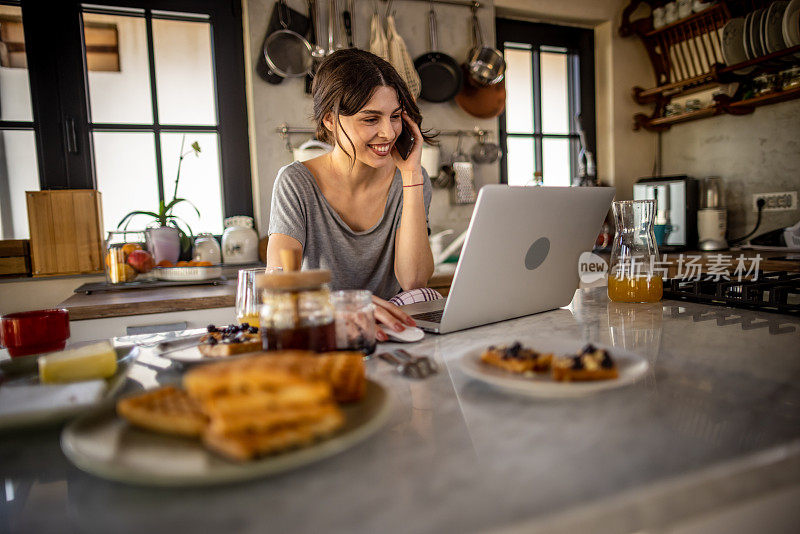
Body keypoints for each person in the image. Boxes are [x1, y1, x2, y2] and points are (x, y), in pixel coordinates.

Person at [267, 49, 436, 341]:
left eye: (395, 116)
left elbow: (414, 281)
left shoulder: (411, 180)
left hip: (389, 333)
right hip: (324, 327)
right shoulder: (296, 182)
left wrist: (411, 177)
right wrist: (347, 305)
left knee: (426, 294)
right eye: (371, 119)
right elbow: (278, 284)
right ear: (330, 120)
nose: (388, 132)